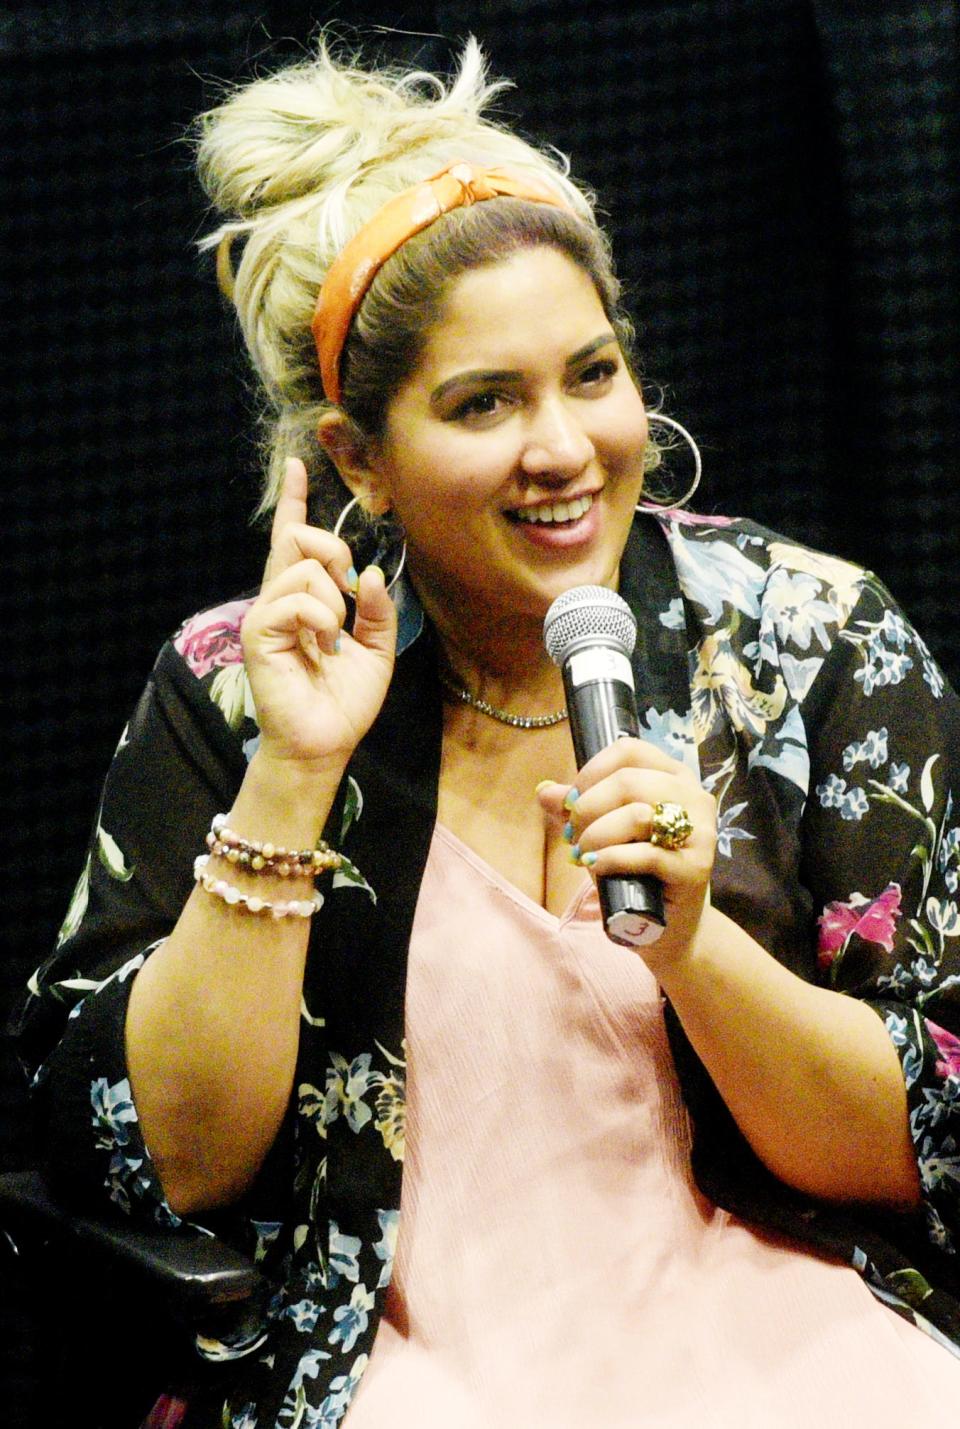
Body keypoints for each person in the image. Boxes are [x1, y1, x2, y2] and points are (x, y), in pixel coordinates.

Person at [16, 31, 960, 1429]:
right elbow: (153, 1164)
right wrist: (291, 773)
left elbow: (925, 1140)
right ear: (356, 458)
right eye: (484, 403)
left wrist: (693, 942)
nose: (564, 447)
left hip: (777, 1320)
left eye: (590, 374)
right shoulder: (231, 684)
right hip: (400, 1359)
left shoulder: (816, 637)